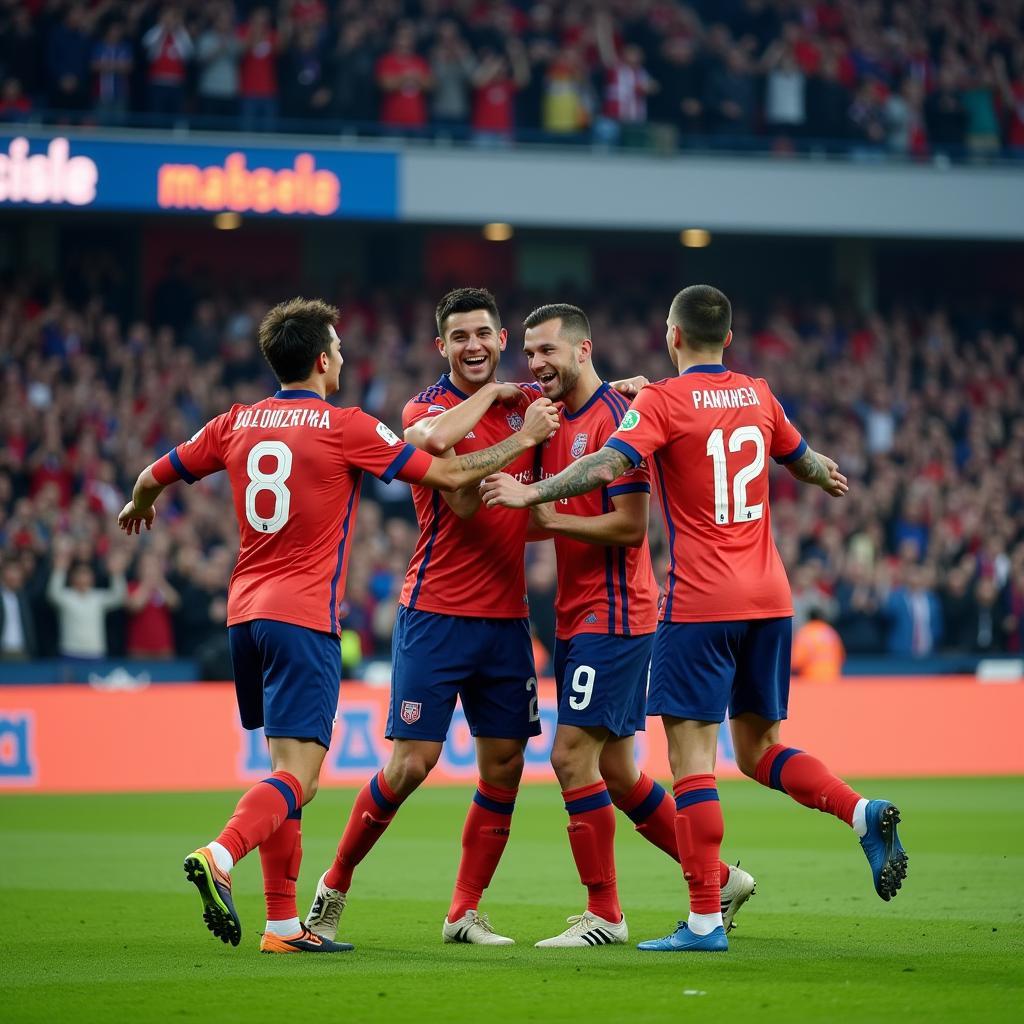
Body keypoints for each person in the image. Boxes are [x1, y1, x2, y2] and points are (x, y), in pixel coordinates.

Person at [117, 297, 559, 955]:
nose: (346, 358)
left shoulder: (236, 421)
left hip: (245, 616)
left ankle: (283, 926)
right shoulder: (344, 424)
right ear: (323, 360)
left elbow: (159, 472)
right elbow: (444, 471)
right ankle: (221, 853)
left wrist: (140, 502)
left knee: (282, 768)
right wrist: (524, 441)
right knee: (302, 778)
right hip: (304, 617)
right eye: (340, 350)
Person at [481, 284, 908, 953]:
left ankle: (705, 920)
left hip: (701, 603)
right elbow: (803, 459)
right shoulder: (759, 395)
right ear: (728, 340)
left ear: (673, 336)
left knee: (693, 765)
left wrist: (533, 489)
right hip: (771, 599)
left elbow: (604, 462)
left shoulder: (663, 400)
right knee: (760, 750)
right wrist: (825, 473)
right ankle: (860, 813)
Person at [304, 288, 643, 947]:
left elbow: (587, 407)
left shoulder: (529, 404)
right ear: (442, 347)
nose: (476, 346)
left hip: (507, 621)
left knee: (505, 765)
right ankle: (334, 885)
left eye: (486, 334)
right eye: (461, 337)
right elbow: (451, 480)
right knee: (411, 765)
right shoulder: (429, 407)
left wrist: (623, 387)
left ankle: (463, 912)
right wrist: (509, 420)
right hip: (435, 613)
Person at [518, 304, 755, 949]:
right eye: (529, 353)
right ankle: (718, 877)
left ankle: (606, 916)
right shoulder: (556, 423)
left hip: (616, 613)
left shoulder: (626, 419)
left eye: (547, 351)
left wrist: (545, 518)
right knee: (619, 772)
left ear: (584, 349)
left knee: (571, 757)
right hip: (576, 613)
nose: (536, 364)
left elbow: (629, 527)